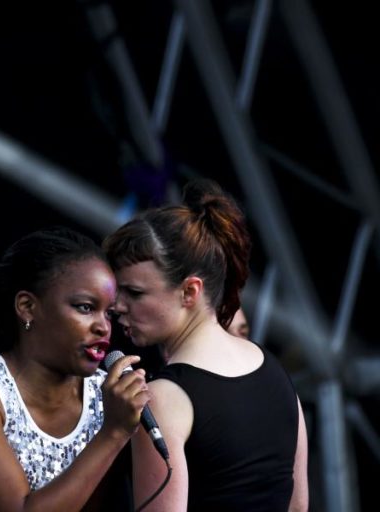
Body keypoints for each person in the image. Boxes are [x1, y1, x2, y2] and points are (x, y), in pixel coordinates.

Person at [0, 226, 152, 512]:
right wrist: (113, 433)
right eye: (85, 307)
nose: (104, 326)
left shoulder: (107, 396)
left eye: (108, 313)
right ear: (27, 307)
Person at [103, 178, 309, 511]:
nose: (117, 305)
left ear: (190, 291)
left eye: (135, 293)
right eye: (118, 291)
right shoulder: (274, 371)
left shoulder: (163, 400)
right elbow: (298, 506)